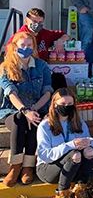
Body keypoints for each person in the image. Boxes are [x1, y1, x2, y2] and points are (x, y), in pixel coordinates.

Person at [0, 31, 53, 187]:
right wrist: (25, 111)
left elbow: (47, 91)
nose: (26, 48)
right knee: (19, 120)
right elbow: (11, 93)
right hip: (12, 110)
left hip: (37, 107)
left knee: (35, 122)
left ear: (34, 47)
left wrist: (34, 109)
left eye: (29, 45)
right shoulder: (5, 67)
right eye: (22, 45)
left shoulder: (42, 66)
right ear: (14, 46)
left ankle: (28, 166)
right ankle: (15, 166)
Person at [36, 88, 93, 198]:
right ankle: (62, 192)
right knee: (75, 154)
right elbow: (44, 155)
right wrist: (71, 145)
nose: (66, 106)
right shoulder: (45, 126)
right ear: (55, 104)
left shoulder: (79, 123)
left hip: (73, 168)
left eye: (70, 104)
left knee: (88, 151)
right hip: (49, 168)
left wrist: (90, 144)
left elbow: (91, 141)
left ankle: (81, 188)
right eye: (63, 103)